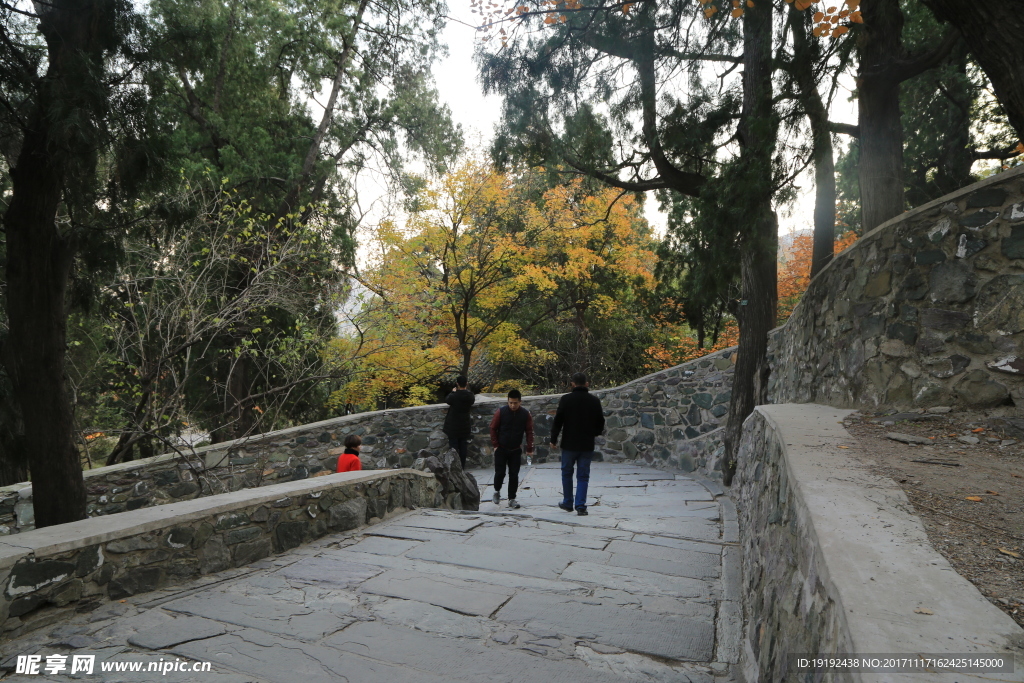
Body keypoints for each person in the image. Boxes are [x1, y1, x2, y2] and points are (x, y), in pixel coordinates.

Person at [550, 372, 605, 516]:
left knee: (567, 473)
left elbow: (558, 421)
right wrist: (595, 432)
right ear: (587, 384)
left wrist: (553, 439)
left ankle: (568, 502)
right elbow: (600, 421)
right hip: (586, 444)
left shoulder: (566, 399)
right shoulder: (594, 401)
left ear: (572, 384)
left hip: (569, 443)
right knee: (583, 476)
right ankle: (581, 505)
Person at [489, 389, 534, 509]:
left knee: (514, 474)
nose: (513, 405)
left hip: (515, 449)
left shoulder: (525, 414)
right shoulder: (501, 412)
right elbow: (493, 428)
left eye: (515, 403)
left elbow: (529, 431)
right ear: (507, 401)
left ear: (520, 402)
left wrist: (529, 448)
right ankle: (497, 491)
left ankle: (512, 498)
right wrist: (495, 445)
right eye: (510, 403)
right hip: (501, 448)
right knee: (500, 473)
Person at [443, 375, 475, 469]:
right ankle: (462, 467)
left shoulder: (454, 396)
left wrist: (453, 392)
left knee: (453, 447)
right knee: (463, 446)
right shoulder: (470, 396)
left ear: (457, 384)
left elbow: (447, 400)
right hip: (464, 424)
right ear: (467, 383)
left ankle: (454, 467)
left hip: (453, 425)